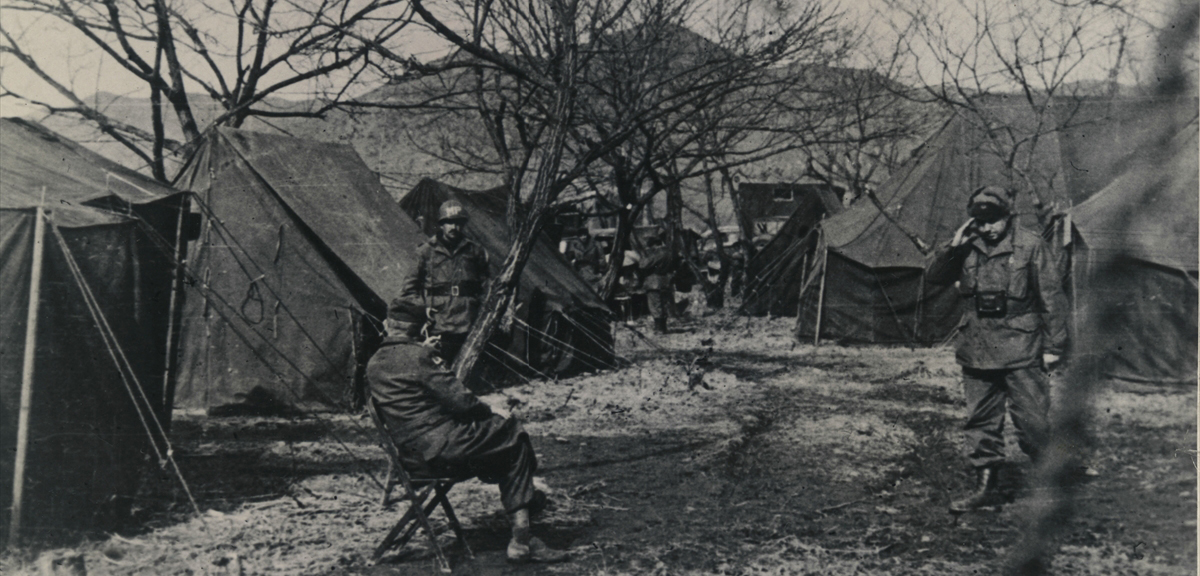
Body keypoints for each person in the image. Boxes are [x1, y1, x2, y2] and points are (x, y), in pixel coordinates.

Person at [366, 298, 569, 563]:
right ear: (421, 328)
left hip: (413, 458)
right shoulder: (420, 357)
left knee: (505, 448)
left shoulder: (374, 363)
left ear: (387, 324)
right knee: (513, 433)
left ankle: (526, 503)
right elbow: (462, 402)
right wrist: (491, 408)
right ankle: (523, 538)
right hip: (444, 450)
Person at [926, 186, 1068, 513]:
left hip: (1022, 348)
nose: (988, 228)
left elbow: (1052, 299)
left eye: (994, 221)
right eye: (981, 222)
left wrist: (1053, 346)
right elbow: (934, 277)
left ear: (1008, 217)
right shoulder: (966, 245)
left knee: (1032, 422)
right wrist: (955, 245)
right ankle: (987, 489)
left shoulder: (1031, 245)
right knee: (981, 422)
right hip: (977, 347)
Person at [399, 200, 491, 363]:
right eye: (449, 222)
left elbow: (485, 285)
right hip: (439, 322)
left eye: (458, 223)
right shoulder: (425, 251)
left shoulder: (475, 251)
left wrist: (481, 309)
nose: (454, 227)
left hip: (468, 322)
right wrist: (423, 309)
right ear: (441, 224)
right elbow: (409, 290)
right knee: (439, 367)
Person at [639, 230, 674, 333]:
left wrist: (643, 256)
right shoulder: (669, 252)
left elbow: (643, 265)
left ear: (653, 244)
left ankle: (659, 328)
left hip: (654, 281)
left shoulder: (657, 253)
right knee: (664, 304)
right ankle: (663, 327)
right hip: (665, 281)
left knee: (655, 305)